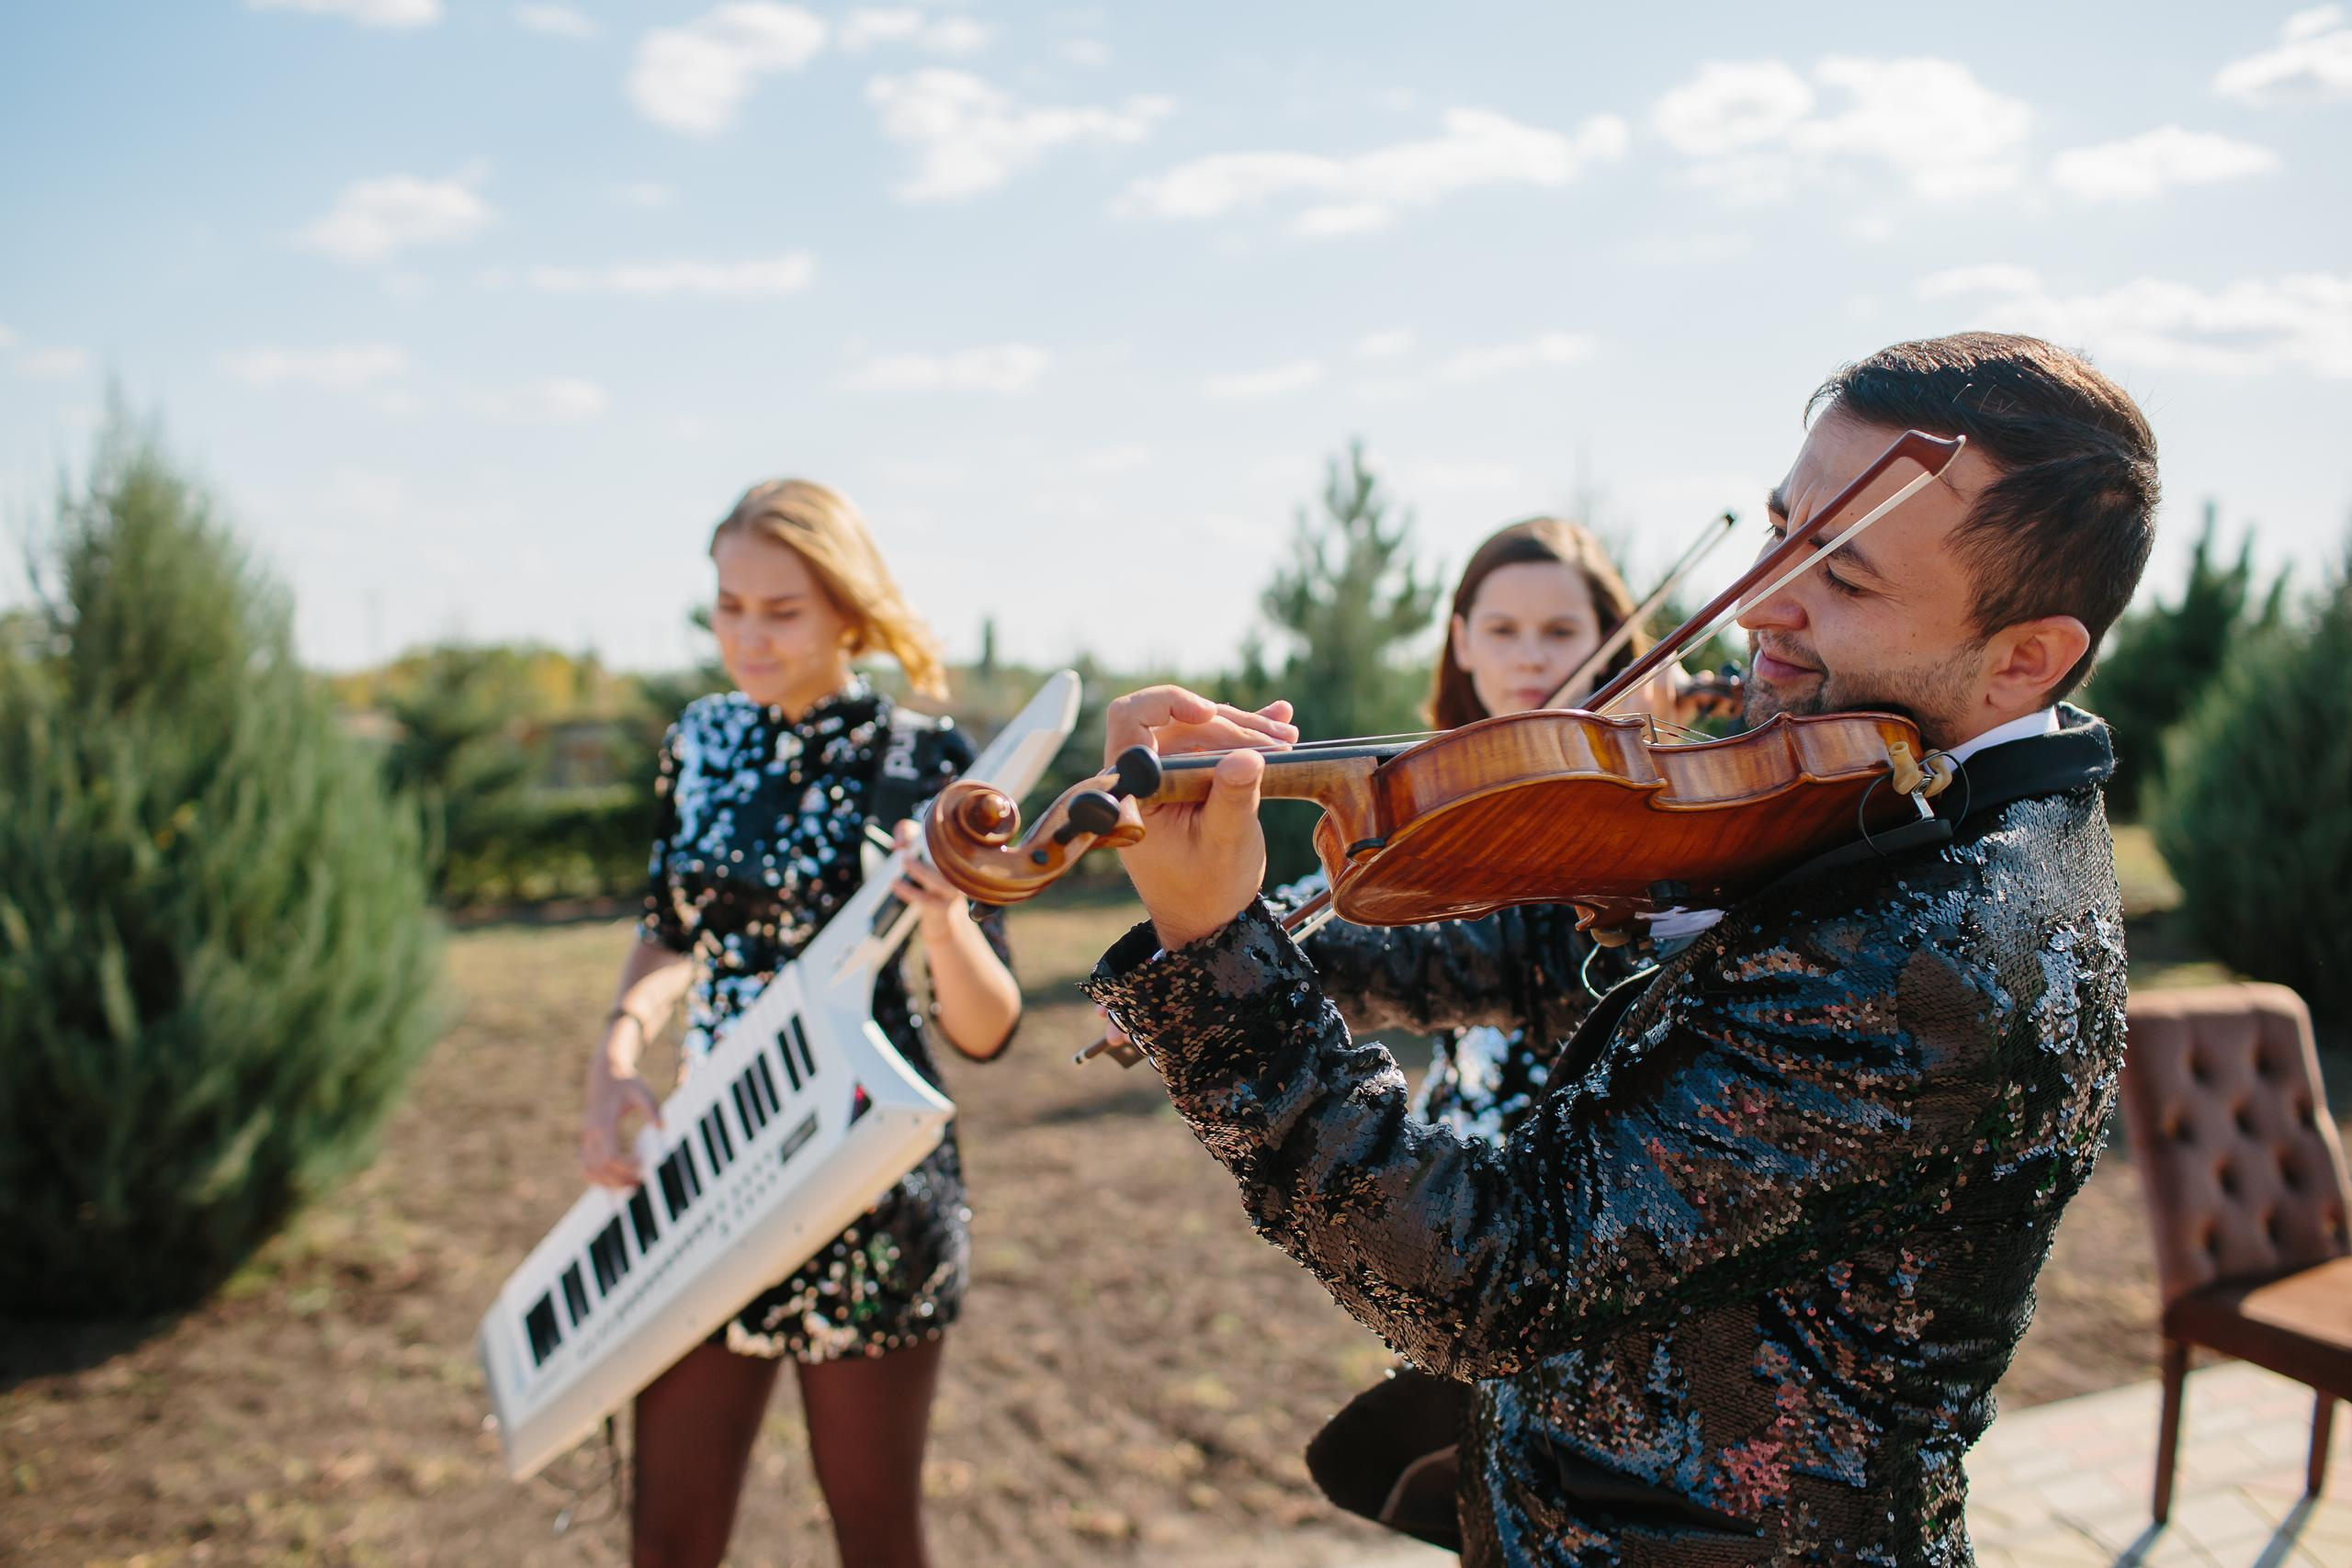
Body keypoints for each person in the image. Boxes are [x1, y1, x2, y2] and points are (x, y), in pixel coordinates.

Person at [1082, 333, 2157, 1564]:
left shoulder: (1943, 951)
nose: (1762, 600)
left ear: (2028, 655)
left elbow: (1494, 1273)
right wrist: (1246, 938)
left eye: (1843, 580)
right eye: (1777, 529)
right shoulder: (1879, 800)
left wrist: (1221, 959)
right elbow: (1537, 959)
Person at [580, 479, 1021, 1568]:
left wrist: (950, 921)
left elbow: (984, 1028)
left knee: (874, 1537)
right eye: (729, 607)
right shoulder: (702, 741)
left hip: (866, 1183)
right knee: (667, 1541)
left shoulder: (922, 758)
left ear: (846, 612)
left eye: (781, 611)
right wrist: (616, 1051)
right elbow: (668, 933)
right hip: (709, 1170)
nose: (748, 637)